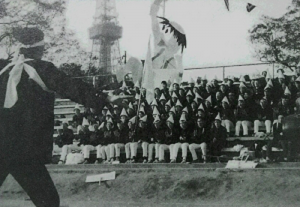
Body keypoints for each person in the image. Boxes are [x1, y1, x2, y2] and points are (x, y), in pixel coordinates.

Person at [0, 27, 123, 207]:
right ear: (38, 49)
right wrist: (106, 98)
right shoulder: (42, 69)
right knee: (48, 201)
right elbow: (71, 87)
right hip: (23, 149)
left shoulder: (4, 72)